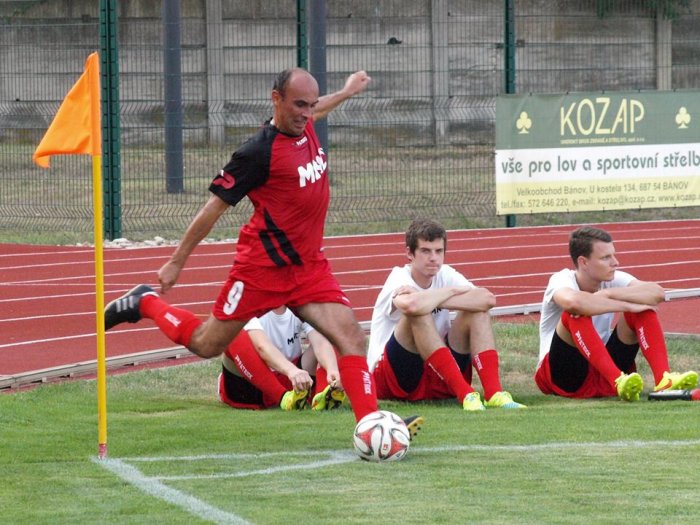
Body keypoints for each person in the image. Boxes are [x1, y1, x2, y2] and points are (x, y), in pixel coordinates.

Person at [104, 67, 422, 438]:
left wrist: (348, 92)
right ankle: (145, 303)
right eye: (299, 105)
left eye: (311, 105)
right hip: (261, 270)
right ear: (276, 99)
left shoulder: (307, 123)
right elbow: (213, 208)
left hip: (308, 269)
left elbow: (319, 110)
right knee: (207, 344)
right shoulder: (258, 152)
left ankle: (370, 429)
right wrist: (176, 261)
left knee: (351, 337)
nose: (307, 113)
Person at [367, 218, 526, 411]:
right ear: (410, 253)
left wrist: (435, 298)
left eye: (439, 251)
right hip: (394, 377)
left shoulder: (446, 274)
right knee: (418, 314)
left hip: (438, 370)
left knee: (477, 312)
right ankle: (465, 393)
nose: (433, 258)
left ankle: (493, 393)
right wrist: (449, 293)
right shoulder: (399, 276)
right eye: (425, 251)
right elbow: (411, 306)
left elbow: (487, 299)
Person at [536, 226, 698, 401]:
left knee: (642, 309)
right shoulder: (561, 279)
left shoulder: (613, 278)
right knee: (574, 314)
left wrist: (607, 294)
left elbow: (657, 293)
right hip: (564, 375)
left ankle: (664, 380)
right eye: (606, 257)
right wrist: (626, 306)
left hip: (601, 367)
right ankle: (618, 381)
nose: (615, 262)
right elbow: (574, 303)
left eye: (613, 255)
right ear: (583, 262)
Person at [218, 305, 347, 411]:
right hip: (250, 386)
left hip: (293, 382)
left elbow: (321, 342)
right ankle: (283, 398)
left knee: (330, 331)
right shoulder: (247, 300)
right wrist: (292, 371)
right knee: (233, 333)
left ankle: (323, 396)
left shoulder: (302, 300)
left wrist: (332, 370)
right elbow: (262, 347)